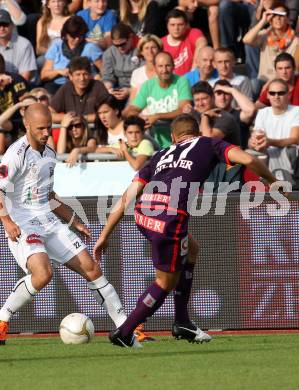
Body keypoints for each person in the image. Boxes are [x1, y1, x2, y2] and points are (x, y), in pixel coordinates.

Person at [93, 113, 279, 348]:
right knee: (164, 283)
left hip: (143, 214)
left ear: (173, 137)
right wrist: (273, 181)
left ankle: (182, 322)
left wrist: (104, 235)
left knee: (192, 249)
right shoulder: (208, 143)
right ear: (197, 133)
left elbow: (127, 197)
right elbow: (249, 160)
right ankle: (125, 331)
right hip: (169, 219)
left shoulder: (160, 154)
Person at [0, 103, 131, 347]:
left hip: (48, 220)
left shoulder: (50, 154)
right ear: (27, 126)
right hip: (23, 222)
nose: (46, 133)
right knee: (43, 274)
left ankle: (127, 327)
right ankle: (1, 319)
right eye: (41, 128)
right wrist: (7, 221)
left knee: (92, 268)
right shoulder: (16, 153)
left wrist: (74, 221)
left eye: (49, 127)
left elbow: (49, 195)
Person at [123, 51, 192, 149]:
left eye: (167, 65)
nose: (164, 70)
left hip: (180, 142)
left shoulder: (182, 82)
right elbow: (133, 109)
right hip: (155, 143)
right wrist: (139, 118)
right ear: (155, 68)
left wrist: (157, 116)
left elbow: (183, 110)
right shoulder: (148, 85)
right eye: (160, 66)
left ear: (173, 66)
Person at [249, 78, 299, 183]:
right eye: (272, 93)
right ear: (267, 95)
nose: (276, 96)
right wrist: (254, 143)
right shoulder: (262, 113)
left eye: (280, 93)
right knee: (248, 154)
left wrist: (269, 142)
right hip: (268, 155)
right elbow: (257, 137)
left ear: (288, 95)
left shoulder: (296, 111)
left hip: (289, 156)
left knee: (292, 150)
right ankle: (260, 187)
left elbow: (295, 139)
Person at [41, 16, 103, 95]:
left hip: (84, 86)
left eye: (80, 36)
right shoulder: (56, 46)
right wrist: (58, 71)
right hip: (59, 85)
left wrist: (92, 77)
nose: (77, 39)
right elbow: (44, 75)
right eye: (73, 36)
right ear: (66, 35)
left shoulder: (91, 48)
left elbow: (104, 71)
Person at [243, 3, 299, 82]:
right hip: (264, 81)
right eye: (275, 15)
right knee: (254, 84)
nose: (278, 18)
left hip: (285, 82)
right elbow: (246, 40)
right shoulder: (265, 35)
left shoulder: (296, 40)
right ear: (270, 19)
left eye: (281, 15)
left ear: (287, 19)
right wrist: (263, 21)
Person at [0, 9, 37, 82]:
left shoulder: (24, 44)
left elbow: (25, 77)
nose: (2, 28)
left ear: (12, 25)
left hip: (21, 86)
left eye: (5, 24)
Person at [49, 56, 109, 124]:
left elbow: (108, 113)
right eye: (78, 74)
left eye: (85, 74)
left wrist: (82, 118)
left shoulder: (98, 86)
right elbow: (50, 113)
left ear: (90, 75)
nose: (82, 78)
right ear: (70, 76)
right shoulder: (66, 88)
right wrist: (69, 118)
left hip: (96, 132)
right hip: (73, 133)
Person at [102, 23, 141, 104]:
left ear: (130, 37)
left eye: (123, 44)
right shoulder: (110, 53)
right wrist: (109, 88)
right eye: (116, 45)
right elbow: (108, 76)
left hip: (138, 90)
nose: (120, 48)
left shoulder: (141, 49)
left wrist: (130, 91)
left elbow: (145, 77)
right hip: (118, 88)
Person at [161, 9, 207, 76]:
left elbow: (202, 43)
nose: (176, 28)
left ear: (186, 25)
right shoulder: (161, 43)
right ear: (167, 26)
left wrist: (193, 70)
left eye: (180, 24)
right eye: (172, 25)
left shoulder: (192, 33)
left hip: (193, 79)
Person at [213, 79, 256, 149]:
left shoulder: (238, 115)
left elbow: (251, 111)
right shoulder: (208, 116)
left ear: (232, 96)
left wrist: (232, 90)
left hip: (238, 157)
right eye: (219, 93)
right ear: (213, 96)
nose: (222, 97)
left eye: (226, 93)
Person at [129, 34, 163, 106]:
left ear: (159, 50)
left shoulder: (166, 71)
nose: (150, 51)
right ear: (141, 52)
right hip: (141, 114)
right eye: (146, 48)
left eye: (153, 47)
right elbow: (132, 101)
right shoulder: (136, 73)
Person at [36, 0, 70, 65]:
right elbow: (39, 49)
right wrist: (53, 53)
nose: (57, 4)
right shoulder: (42, 22)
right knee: (39, 61)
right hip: (48, 55)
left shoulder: (70, 19)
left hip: (67, 55)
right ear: (48, 5)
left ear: (64, 3)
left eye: (59, 1)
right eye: (53, 1)